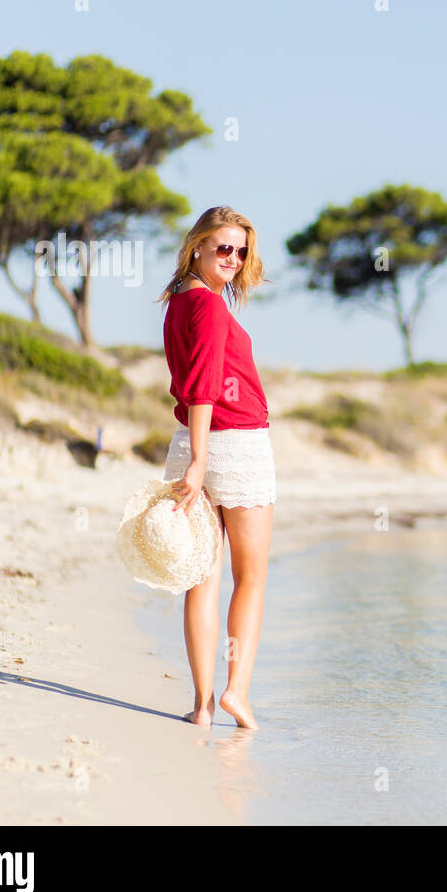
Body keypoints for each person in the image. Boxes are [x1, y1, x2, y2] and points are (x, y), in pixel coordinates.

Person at [156, 206, 275, 730]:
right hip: (233, 447)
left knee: (200, 578)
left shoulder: (178, 299)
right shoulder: (205, 306)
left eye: (241, 250)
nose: (233, 258)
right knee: (249, 576)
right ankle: (236, 694)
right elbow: (203, 386)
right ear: (198, 245)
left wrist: (195, 455)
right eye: (223, 247)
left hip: (191, 443)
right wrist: (202, 461)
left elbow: (186, 384)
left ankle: (202, 706)